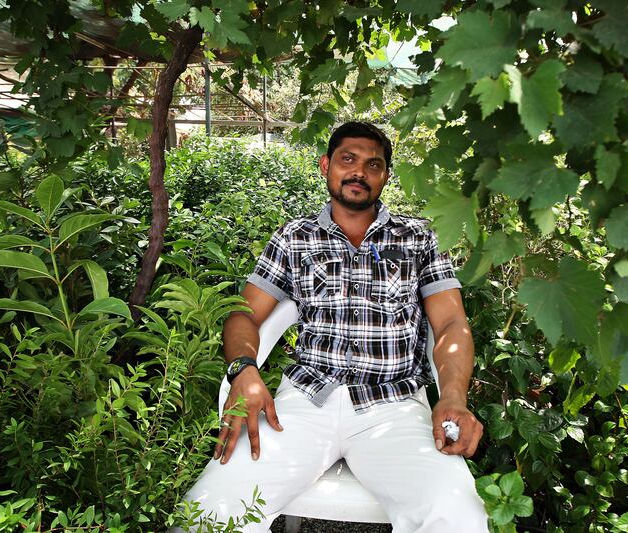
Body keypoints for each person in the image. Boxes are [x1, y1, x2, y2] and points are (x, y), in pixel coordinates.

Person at [179, 122, 488, 532]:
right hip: (305, 403)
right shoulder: (295, 237)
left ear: (385, 177)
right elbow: (243, 314)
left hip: (392, 407)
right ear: (326, 166)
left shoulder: (418, 238)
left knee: (457, 515)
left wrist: (452, 396)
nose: (359, 172)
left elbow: (450, 323)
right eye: (348, 159)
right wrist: (245, 370)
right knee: (209, 512)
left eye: (373, 165)